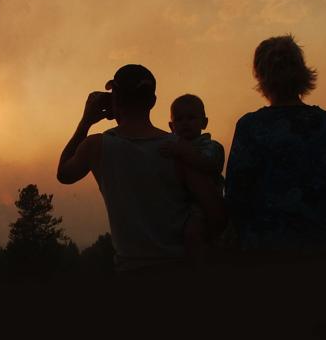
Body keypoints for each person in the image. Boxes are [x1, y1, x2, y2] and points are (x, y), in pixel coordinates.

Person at [56, 64, 225, 271]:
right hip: (179, 270)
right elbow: (216, 215)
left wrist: (86, 121)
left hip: (130, 270)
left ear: (115, 99)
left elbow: (64, 173)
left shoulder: (96, 146)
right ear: (153, 102)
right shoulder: (179, 148)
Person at [225, 35, 326, 251]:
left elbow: (236, 196)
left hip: (266, 251)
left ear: (261, 76)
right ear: (301, 71)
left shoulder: (251, 127)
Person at [159, 93, 226, 251]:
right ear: (171, 126)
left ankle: (199, 271)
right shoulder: (170, 147)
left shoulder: (211, 146)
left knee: (193, 234)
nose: (185, 123)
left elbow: (207, 164)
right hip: (180, 204)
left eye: (191, 118)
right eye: (179, 119)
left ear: (204, 122)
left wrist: (182, 151)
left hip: (203, 206)